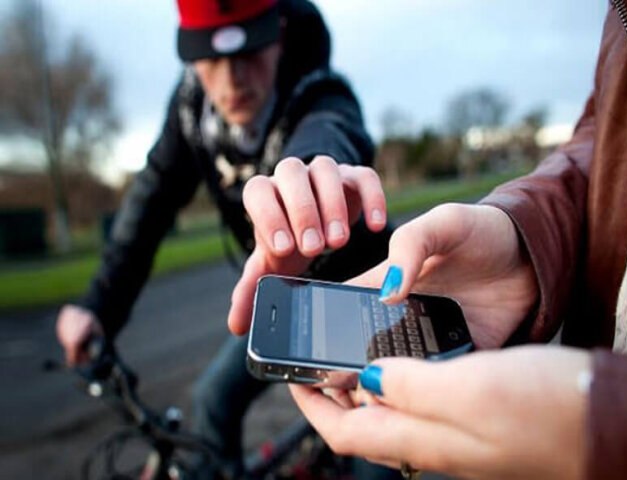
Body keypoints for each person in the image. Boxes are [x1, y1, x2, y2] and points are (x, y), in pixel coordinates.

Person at [233, 2, 627, 479]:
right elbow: (610, 138)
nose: (230, 78)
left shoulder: (316, 88)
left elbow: (328, 119)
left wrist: (613, 425)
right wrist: (521, 235)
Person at [55, 0, 396, 477]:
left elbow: (330, 130)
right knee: (212, 398)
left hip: (362, 297)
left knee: (373, 443)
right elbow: (150, 201)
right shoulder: (191, 110)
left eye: (249, 52)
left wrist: (314, 173)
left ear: (278, 33)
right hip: (288, 298)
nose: (231, 81)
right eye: (211, 60)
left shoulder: (320, 90)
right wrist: (97, 307)